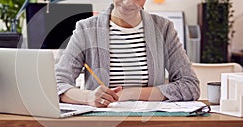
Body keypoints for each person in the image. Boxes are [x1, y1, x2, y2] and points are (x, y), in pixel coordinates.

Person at [55, 0, 200, 108]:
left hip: (150, 122)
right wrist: (89, 97)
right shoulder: (86, 29)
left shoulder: (163, 29)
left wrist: (129, 94)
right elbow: (57, 84)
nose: (127, 2)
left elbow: (190, 85)